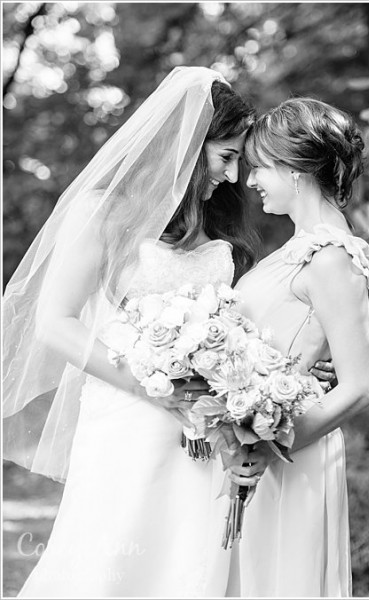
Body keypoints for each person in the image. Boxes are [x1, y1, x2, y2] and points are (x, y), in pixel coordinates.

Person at [3, 67, 266, 596]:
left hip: (207, 427)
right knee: (114, 562)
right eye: (227, 156)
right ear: (191, 147)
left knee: (191, 564)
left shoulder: (217, 229)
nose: (234, 176)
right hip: (127, 418)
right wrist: (161, 390)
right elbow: (56, 323)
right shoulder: (102, 214)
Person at [219, 97, 369, 596]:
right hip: (267, 436)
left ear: (295, 169)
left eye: (260, 167)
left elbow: (359, 386)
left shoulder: (333, 257)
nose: (250, 180)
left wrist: (268, 446)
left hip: (291, 452)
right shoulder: (300, 246)